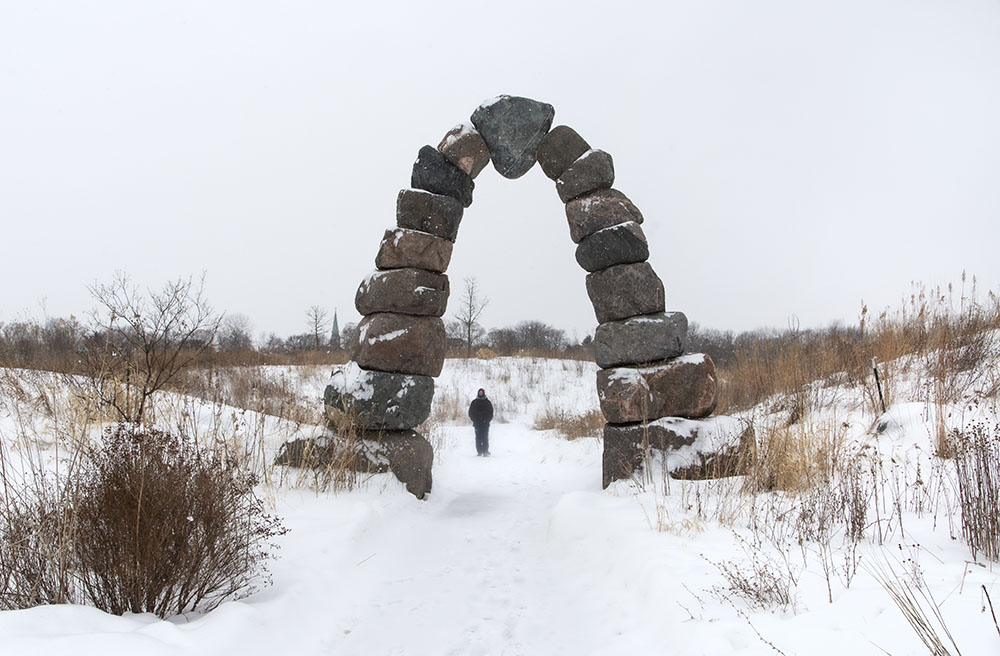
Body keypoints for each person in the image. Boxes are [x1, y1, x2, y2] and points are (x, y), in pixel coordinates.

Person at [468, 388, 494, 457]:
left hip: (485, 424)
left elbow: (491, 412)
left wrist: (487, 420)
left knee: (485, 437)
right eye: (480, 392)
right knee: (478, 437)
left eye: (482, 392)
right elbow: (471, 413)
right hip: (477, 424)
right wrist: (474, 420)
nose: (481, 394)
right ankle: (479, 451)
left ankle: (485, 451)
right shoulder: (474, 402)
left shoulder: (487, 402)